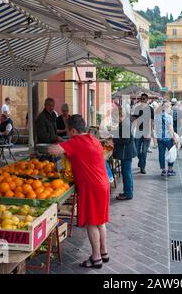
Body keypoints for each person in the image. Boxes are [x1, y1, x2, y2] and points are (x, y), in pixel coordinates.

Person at [48, 115, 109, 269]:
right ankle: (103, 252)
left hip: (92, 187)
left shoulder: (75, 142)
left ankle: (96, 258)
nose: (68, 134)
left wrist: (57, 144)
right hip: (103, 184)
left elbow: (53, 150)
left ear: (74, 130)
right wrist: (66, 144)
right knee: (100, 221)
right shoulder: (93, 139)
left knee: (91, 223)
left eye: (68, 131)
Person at [113, 107, 137, 200]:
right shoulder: (125, 122)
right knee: (127, 172)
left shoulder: (125, 123)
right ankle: (129, 191)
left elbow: (125, 140)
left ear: (120, 115)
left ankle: (128, 193)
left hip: (126, 152)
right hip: (127, 151)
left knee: (126, 172)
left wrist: (114, 139)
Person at [154, 101, 178, 177]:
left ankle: (163, 170)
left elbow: (156, 128)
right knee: (171, 153)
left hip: (160, 138)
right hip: (168, 138)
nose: (170, 108)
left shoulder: (157, 116)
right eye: (170, 107)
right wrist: (174, 138)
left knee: (161, 154)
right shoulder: (169, 117)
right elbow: (171, 129)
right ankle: (170, 170)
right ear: (167, 107)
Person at [132, 93, 154, 174]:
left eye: (144, 98)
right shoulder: (137, 108)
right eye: (141, 98)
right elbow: (134, 120)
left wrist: (150, 132)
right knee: (137, 151)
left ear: (147, 100)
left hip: (146, 132)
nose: (142, 100)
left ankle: (142, 167)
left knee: (144, 151)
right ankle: (141, 161)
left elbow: (151, 121)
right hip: (138, 131)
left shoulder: (150, 109)